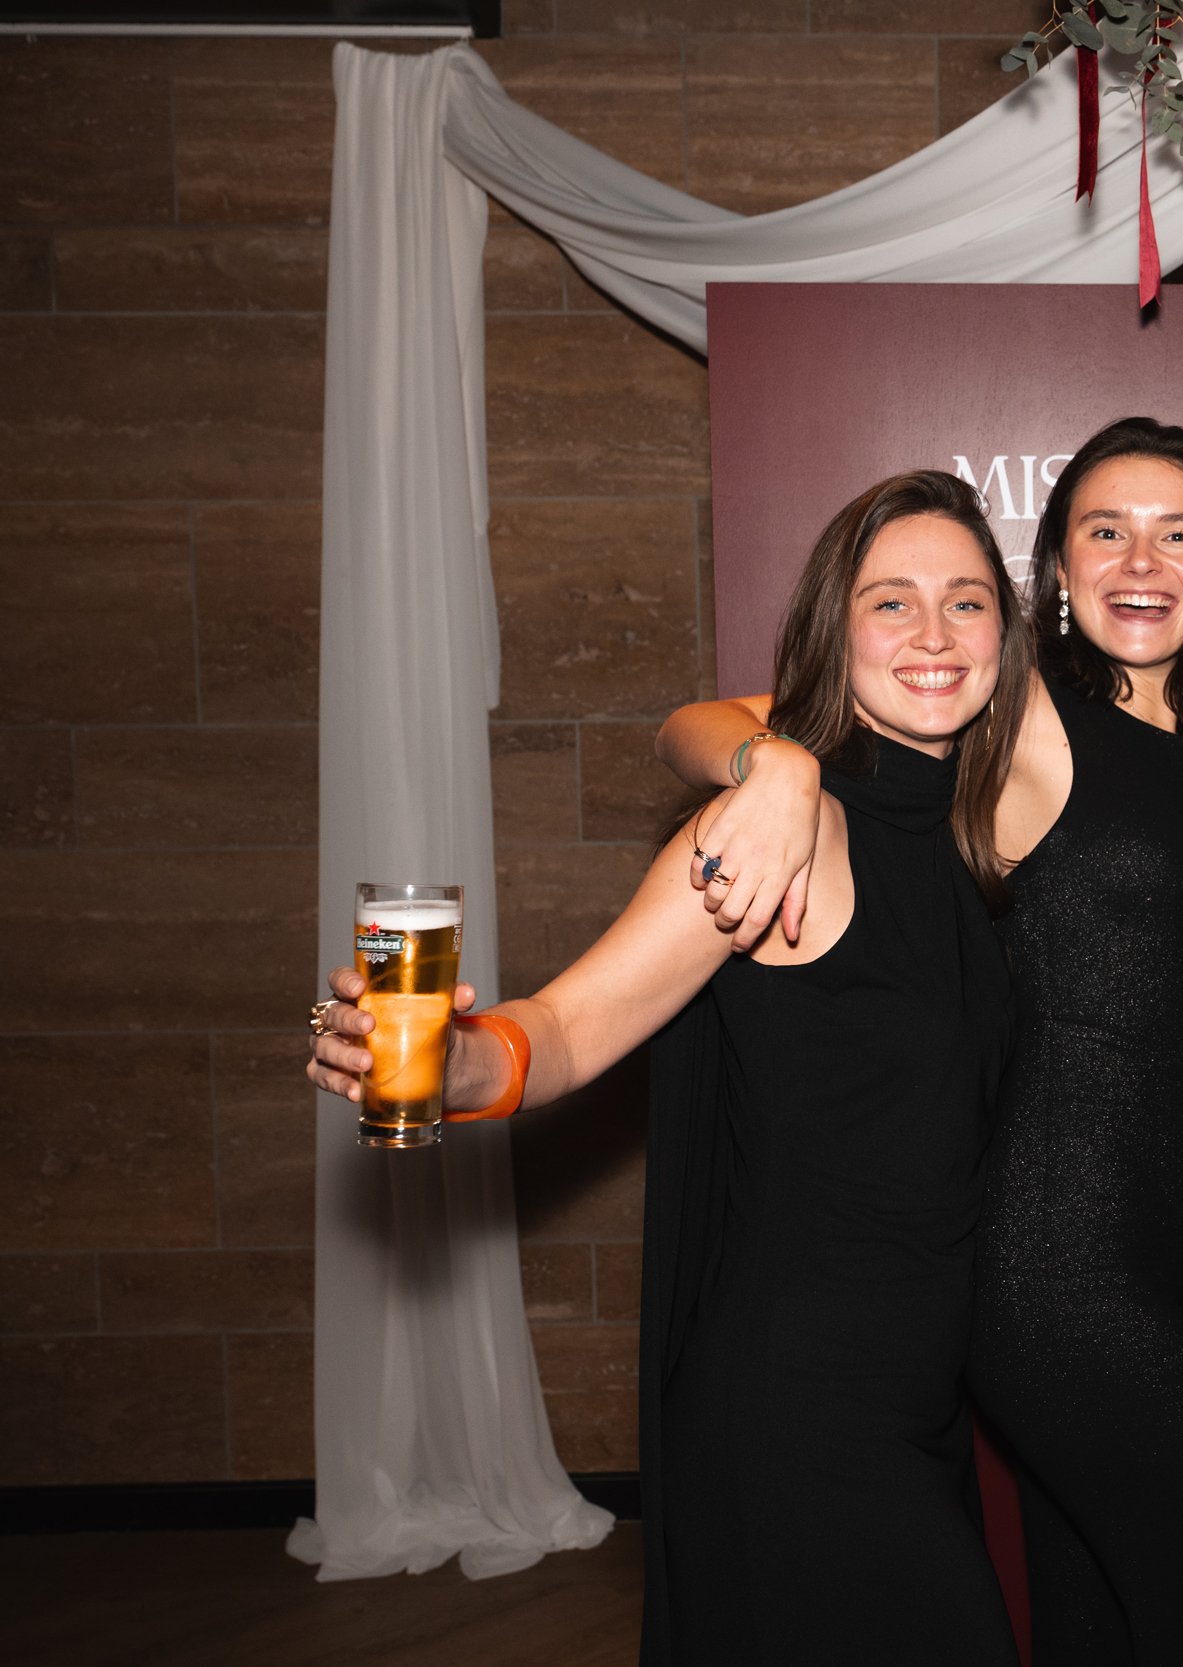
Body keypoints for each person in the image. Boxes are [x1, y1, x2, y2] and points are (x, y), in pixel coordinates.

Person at [308, 471, 1030, 1666]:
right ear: (831, 627)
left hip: (917, 1403)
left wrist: (771, 754)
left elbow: (704, 719)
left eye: (967, 601)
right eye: (889, 602)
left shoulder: (975, 821)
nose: (935, 634)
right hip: (799, 1410)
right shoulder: (775, 831)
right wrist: (453, 1060)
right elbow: (577, 1025)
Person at [655, 419, 1183, 1667]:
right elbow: (694, 723)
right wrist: (772, 773)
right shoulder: (1021, 709)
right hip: (1054, 1260)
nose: (1142, 558)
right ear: (1057, 575)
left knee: (1101, 1625)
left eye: (1178, 530)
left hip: (1163, 1248)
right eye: (1105, 529)